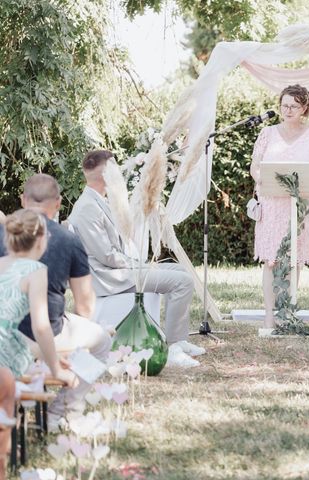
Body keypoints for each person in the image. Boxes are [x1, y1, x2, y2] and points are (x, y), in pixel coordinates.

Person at [68, 150, 202, 367]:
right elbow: (108, 257)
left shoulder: (98, 201)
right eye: (115, 170)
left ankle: (180, 339)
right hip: (109, 277)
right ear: (106, 175)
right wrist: (139, 264)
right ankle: (173, 348)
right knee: (183, 282)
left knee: (179, 270)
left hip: (117, 269)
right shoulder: (87, 208)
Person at [0, 174, 111, 427]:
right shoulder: (68, 239)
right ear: (59, 203)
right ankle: (60, 412)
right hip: (45, 334)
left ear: (22, 200)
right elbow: (84, 305)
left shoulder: (3, 232)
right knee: (102, 341)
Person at [0, 209, 77, 479]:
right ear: (42, 239)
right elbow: (41, 327)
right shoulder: (36, 270)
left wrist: (48, 357)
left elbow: (5, 327)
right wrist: (55, 369)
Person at [250, 84, 309, 329]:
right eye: (284, 105)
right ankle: (269, 317)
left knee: (295, 261)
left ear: (305, 108)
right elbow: (255, 167)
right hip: (273, 204)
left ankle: (288, 314)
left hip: (302, 205)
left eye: (294, 106)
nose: (288, 110)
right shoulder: (267, 133)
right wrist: (263, 178)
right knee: (271, 261)